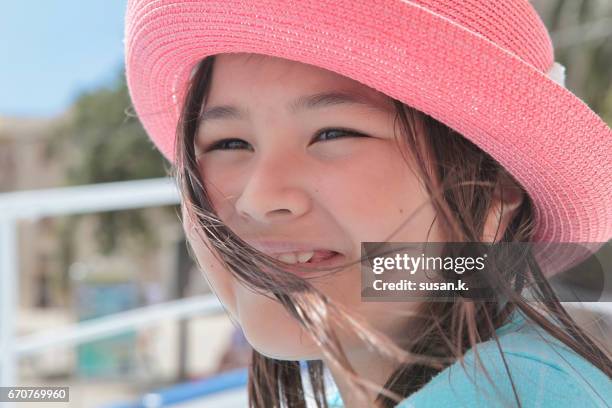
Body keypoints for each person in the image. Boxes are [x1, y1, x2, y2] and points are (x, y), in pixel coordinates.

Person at [124, 1, 612, 406]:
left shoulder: (512, 391)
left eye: (334, 133)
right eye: (229, 143)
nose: (260, 198)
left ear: (498, 184)